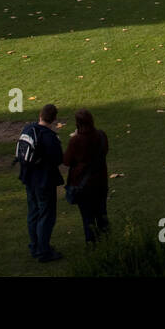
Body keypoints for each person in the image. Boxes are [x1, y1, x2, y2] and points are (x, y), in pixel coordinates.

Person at [18, 103, 65, 262]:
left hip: (29, 179)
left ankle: (35, 245)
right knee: (46, 216)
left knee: (33, 213)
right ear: (54, 119)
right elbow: (59, 159)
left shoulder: (28, 130)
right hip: (44, 182)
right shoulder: (49, 137)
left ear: (40, 115)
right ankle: (43, 250)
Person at [62, 108, 110, 241]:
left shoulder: (76, 141)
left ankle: (93, 245)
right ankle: (107, 241)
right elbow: (105, 150)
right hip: (100, 182)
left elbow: (66, 161)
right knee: (101, 213)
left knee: (88, 218)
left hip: (84, 185)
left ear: (78, 123)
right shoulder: (101, 135)